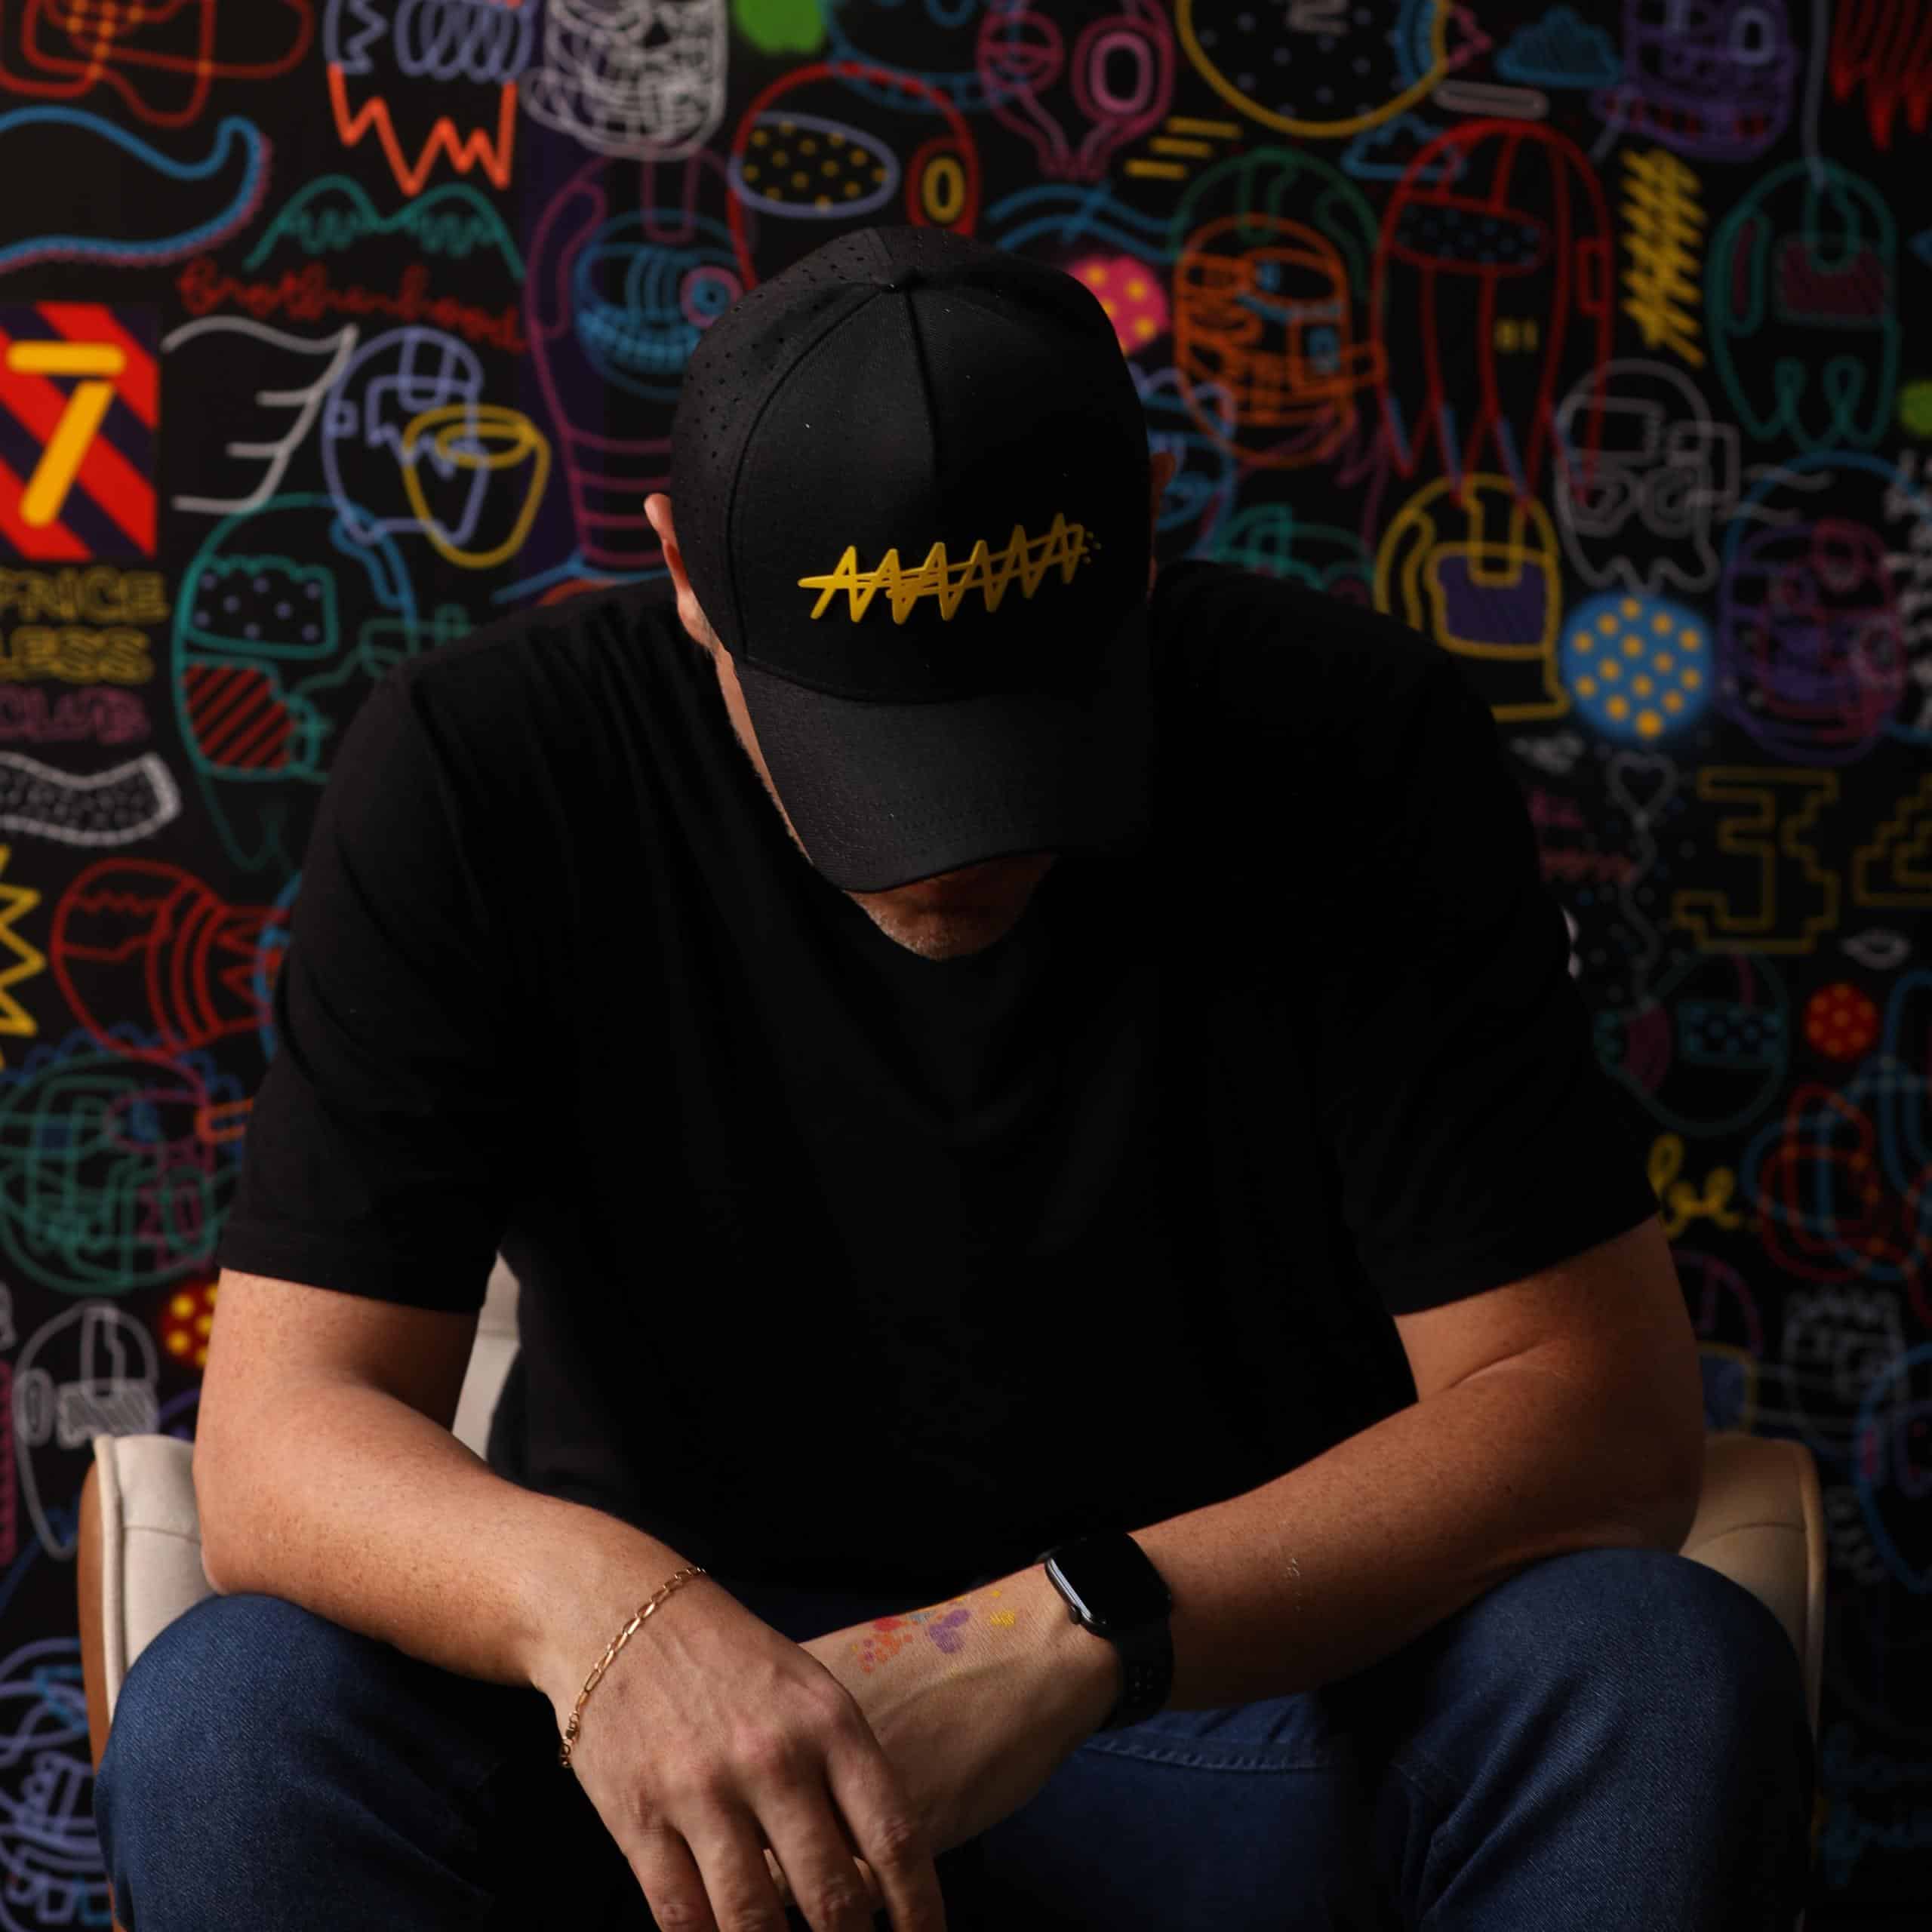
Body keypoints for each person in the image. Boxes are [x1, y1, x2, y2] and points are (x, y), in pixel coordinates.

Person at [94, 225, 1814, 1931]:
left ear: (1142, 544)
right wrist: (614, 1616)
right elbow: (281, 1438)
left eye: (1021, 724)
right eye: (871, 743)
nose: (954, 849)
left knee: (1653, 1671)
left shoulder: (1352, 740)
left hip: (1215, 1699)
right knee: (238, 1720)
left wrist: (1068, 1627)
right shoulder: (488, 769)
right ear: (686, 572)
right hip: (678, 1741)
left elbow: (1594, 1410)